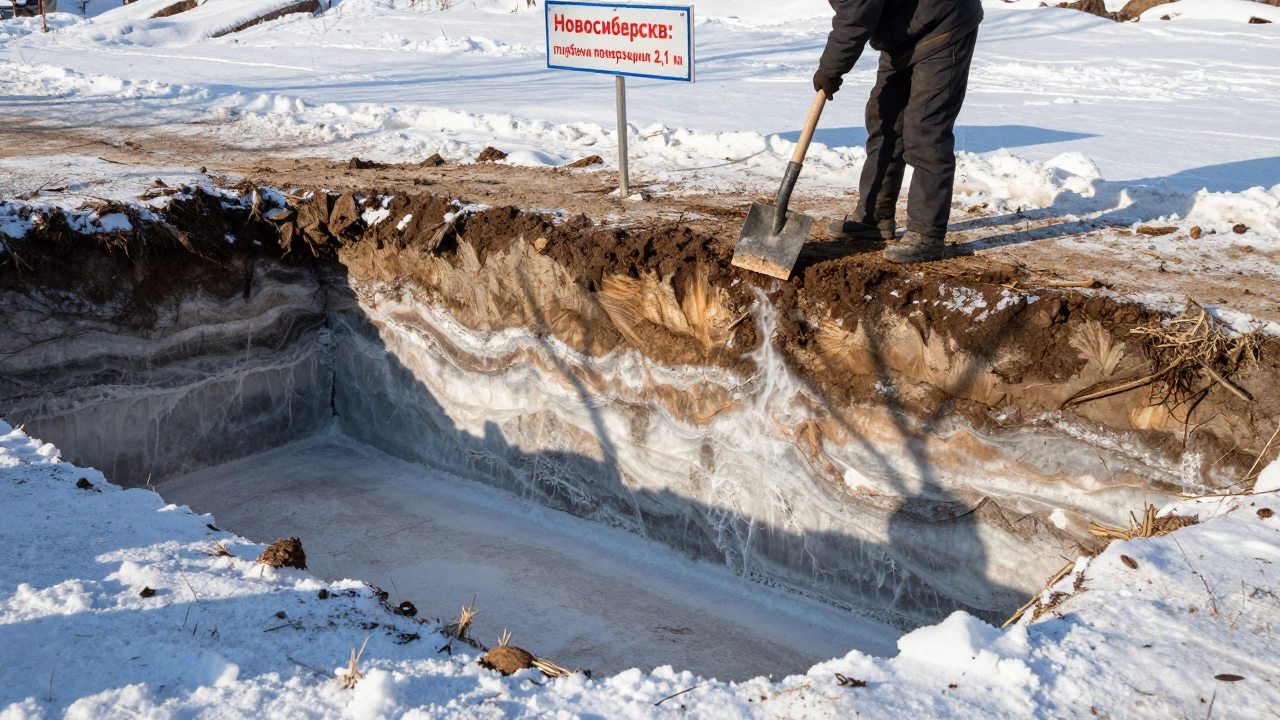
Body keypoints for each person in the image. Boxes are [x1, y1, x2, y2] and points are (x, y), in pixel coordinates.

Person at [813, 0, 983, 263]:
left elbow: (856, 15)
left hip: (943, 20)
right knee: (884, 118)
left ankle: (927, 234)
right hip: (904, 29)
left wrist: (830, 69)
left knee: (926, 127)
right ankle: (875, 215)